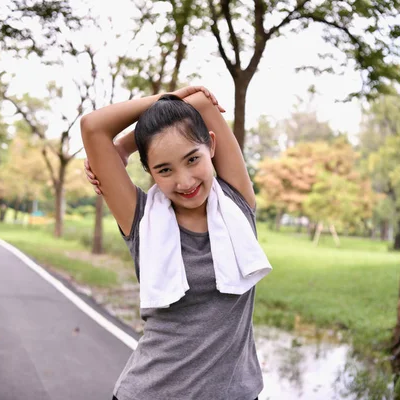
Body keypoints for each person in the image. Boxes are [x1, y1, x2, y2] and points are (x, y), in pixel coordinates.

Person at [80, 86, 270, 400]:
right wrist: (164, 101)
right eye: (164, 169)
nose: (184, 182)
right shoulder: (141, 218)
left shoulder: (236, 202)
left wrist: (129, 142)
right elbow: (93, 126)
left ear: (210, 145)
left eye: (192, 159)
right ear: (149, 170)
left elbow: (200, 102)